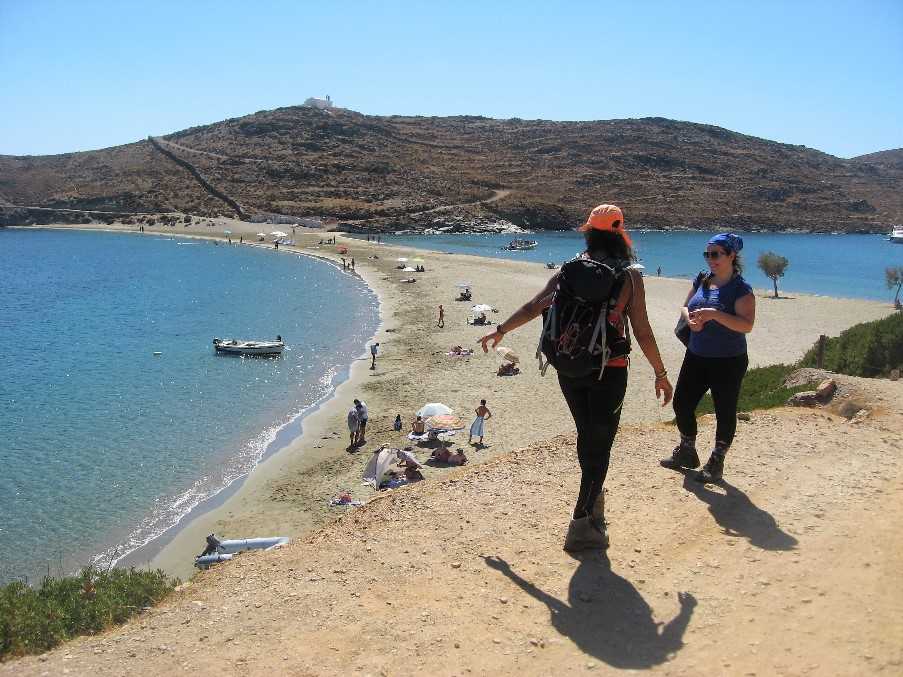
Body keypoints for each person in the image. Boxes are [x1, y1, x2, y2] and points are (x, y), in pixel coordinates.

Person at [480, 203, 673, 552]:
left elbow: (534, 306)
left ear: (588, 232)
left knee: (588, 435)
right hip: (609, 369)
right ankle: (583, 523)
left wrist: (500, 330)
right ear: (619, 234)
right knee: (601, 443)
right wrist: (660, 373)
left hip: (568, 367)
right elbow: (642, 330)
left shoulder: (570, 269)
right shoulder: (629, 276)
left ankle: (592, 501)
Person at [661, 233, 755, 483]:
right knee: (681, 403)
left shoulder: (742, 289)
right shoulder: (703, 279)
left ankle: (716, 460)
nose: (710, 259)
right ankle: (687, 450)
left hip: (728, 360)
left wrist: (715, 314)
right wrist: (690, 320)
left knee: (724, 410)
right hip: (697, 354)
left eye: (715, 254)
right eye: (707, 254)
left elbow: (747, 325)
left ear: (731, 256)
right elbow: (685, 306)